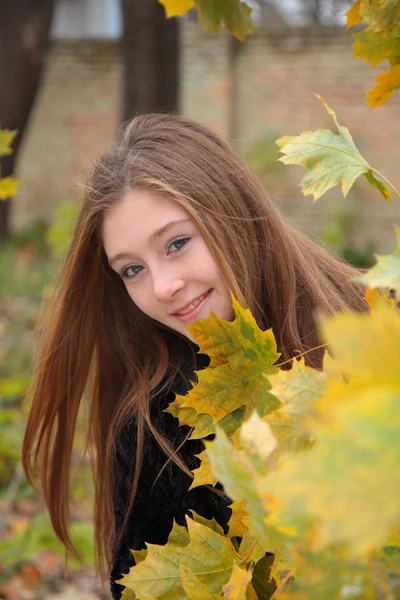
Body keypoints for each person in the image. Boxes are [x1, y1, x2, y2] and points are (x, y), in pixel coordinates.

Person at [22, 113, 368, 598]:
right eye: (133, 269)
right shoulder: (155, 424)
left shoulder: (372, 337)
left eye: (178, 243)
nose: (163, 287)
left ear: (230, 212)